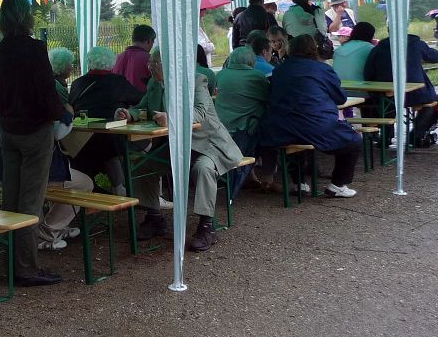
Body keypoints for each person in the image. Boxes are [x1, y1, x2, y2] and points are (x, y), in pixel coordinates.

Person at [0, 0, 69, 286]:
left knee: (11, 199)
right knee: (30, 201)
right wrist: (60, 113)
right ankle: (26, 268)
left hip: (9, 131)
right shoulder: (35, 50)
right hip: (35, 133)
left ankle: (12, 264)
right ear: (27, 17)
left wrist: (4, 108)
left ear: (3, 20)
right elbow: (46, 92)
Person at [114, 49, 244, 251]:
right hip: (173, 147)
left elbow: (199, 113)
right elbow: (143, 107)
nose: (150, 67)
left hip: (207, 144)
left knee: (202, 169)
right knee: (142, 166)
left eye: (155, 63)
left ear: (169, 65)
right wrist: (128, 114)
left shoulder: (195, 81)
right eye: (150, 62)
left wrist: (172, 117)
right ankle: (154, 217)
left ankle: (207, 226)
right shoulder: (154, 84)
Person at [257, 35, 361, 197]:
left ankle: (300, 184)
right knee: (353, 140)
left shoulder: (279, 69)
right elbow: (340, 98)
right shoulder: (322, 69)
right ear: (314, 49)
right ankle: (338, 185)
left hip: (280, 127)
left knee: (296, 141)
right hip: (315, 124)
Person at [67, 46, 141, 193]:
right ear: (111, 63)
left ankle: (104, 186)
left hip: (81, 140)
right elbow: (139, 98)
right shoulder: (118, 82)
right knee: (136, 146)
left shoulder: (77, 83)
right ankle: (123, 186)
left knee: (105, 144)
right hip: (112, 141)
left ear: (89, 62)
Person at [38, 48, 93, 250]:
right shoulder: (55, 89)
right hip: (43, 169)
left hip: (22, 168)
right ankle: (49, 232)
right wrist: (68, 114)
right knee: (85, 183)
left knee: (69, 175)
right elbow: (59, 130)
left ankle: (57, 226)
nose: (72, 67)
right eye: (70, 64)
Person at [363, 31, 438, 148]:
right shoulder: (417, 44)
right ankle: (416, 135)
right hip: (416, 93)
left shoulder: (380, 47)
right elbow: (434, 56)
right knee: (432, 104)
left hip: (387, 93)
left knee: (386, 104)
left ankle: (386, 137)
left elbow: (368, 71)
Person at [214, 47, 270, 196]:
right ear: (251, 61)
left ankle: (249, 176)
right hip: (245, 131)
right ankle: (267, 176)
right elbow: (268, 99)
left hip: (221, 130)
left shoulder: (221, 75)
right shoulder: (257, 77)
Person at [113, 24, 157, 92]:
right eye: (152, 42)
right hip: (141, 101)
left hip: (118, 100)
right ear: (149, 41)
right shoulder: (149, 59)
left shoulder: (117, 58)